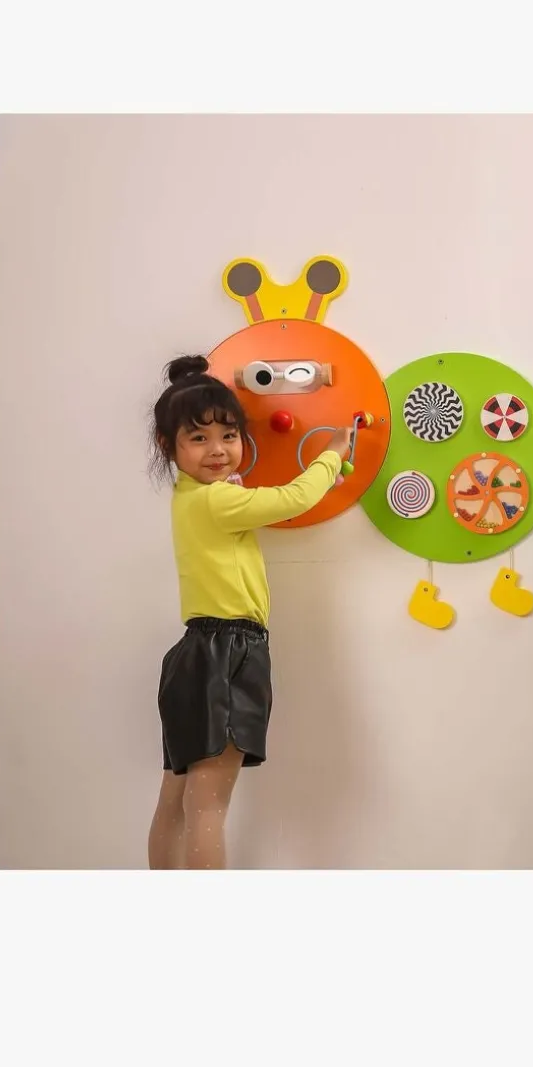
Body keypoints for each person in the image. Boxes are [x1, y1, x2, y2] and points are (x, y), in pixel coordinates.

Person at [147, 355, 352, 870]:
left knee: (178, 797)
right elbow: (294, 497)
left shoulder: (192, 498)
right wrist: (332, 454)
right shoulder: (218, 502)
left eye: (229, 435)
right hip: (228, 652)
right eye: (198, 438)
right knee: (208, 805)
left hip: (196, 651)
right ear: (168, 446)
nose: (218, 450)